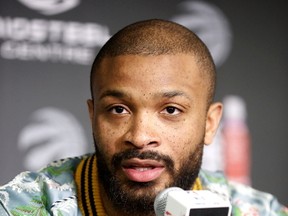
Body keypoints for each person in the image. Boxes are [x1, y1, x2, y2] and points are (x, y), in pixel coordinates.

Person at [0, 19, 287, 216]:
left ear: (209, 124)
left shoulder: (258, 210)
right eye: (118, 110)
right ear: (93, 115)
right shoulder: (18, 207)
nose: (139, 137)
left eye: (171, 110)